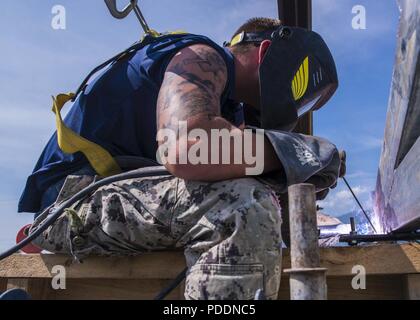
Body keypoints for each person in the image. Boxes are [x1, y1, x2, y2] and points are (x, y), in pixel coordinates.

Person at [19, 18, 342, 300]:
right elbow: (190, 149)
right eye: (299, 86)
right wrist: (296, 152)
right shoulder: (203, 56)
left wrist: (289, 179)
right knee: (241, 206)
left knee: (258, 199)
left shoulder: (230, 110)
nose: (294, 105)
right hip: (69, 204)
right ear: (266, 52)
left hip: (114, 201)